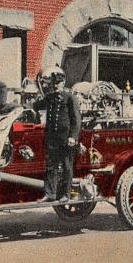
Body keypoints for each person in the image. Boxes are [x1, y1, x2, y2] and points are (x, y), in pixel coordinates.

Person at [33, 66, 81, 202]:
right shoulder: (50, 98)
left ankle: (66, 194)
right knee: (51, 166)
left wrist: (73, 136)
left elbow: (76, 119)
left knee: (66, 166)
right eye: (54, 83)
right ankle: (50, 194)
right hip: (52, 138)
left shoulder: (70, 98)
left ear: (63, 83)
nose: (55, 86)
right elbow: (35, 106)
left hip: (65, 138)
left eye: (58, 83)